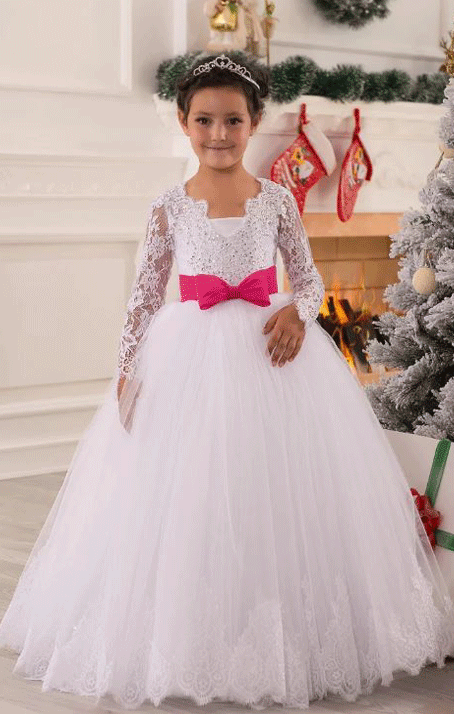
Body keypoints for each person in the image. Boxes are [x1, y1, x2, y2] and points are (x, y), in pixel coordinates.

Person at [0, 51, 453, 712]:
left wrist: (298, 315)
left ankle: (277, 629)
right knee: (191, 492)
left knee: (269, 488)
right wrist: (127, 370)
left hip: (271, 358)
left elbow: (309, 281)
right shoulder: (168, 207)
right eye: (205, 120)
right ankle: (189, 634)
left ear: (254, 123)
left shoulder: (276, 200)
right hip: (186, 358)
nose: (219, 133)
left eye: (233, 121)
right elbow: (143, 297)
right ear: (184, 124)